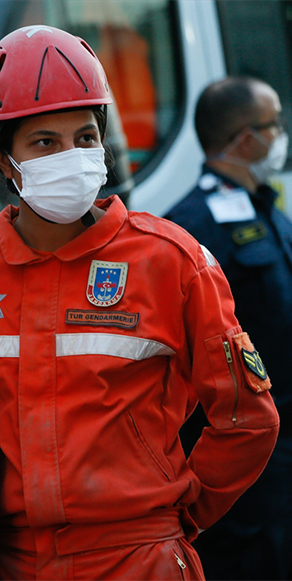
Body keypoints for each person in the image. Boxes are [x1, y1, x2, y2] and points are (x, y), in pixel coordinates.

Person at [0, 26, 280, 581]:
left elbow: (247, 420)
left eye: (85, 138)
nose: (71, 157)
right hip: (7, 563)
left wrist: (178, 517)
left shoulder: (170, 261)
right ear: (5, 162)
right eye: (44, 142)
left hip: (139, 557)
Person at [166, 76, 292, 580]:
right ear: (246, 139)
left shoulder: (268, 207)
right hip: (243, 452)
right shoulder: (191, 224)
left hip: (280, 441)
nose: (280, 134)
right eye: (273, 124)